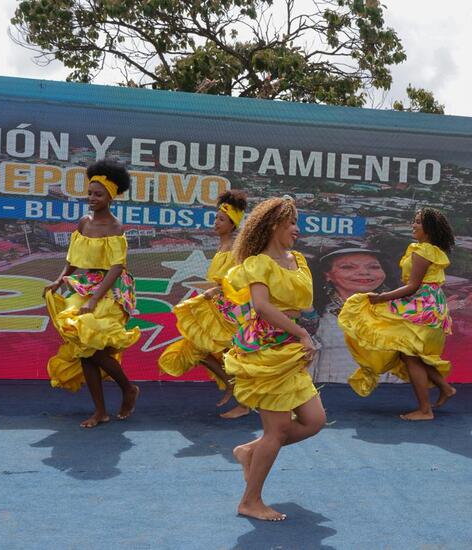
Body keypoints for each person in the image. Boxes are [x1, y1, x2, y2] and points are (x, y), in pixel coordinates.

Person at [222, 196, 325, 521]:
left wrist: (302, 336)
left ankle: (249, 450)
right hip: (267, 349)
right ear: (273, 226)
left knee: (314, 421)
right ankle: (250, 501)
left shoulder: (297, 260)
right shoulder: (259, 263)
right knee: (277, 431)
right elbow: (262, 306)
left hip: (290, 348)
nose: (296, 230)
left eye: (296, 223)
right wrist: (302, 333)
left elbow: (302, 305)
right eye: (291, 223)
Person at [42, 159, 140, 428]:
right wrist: (58, 281)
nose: (92, 198)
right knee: (84, 348)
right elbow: (73, 260)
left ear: (110, 197)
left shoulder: (115, 228)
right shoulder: (83, 223)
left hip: (112, 289)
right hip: (86, 284)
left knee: (89, 344)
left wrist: (95, 301)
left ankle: (128, 389)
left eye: (98, 195)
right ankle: (101, 411)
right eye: (90, 193)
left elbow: (116, 268)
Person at [338, 207, 457, 420]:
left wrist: (381, 298)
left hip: (421, 306)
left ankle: (425, 410)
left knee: (410, 355)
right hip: (427, 304)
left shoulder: (423, 251)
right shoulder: (430, 250)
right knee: (409, 353)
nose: (413, 225)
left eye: (418, 222)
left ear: (429, 228)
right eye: (414, 221)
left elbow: (413, 286)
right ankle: (445, 388)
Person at [158, 189, 250, 419]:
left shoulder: (235, 249)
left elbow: (238, 282)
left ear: (233, 223)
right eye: (216, 218)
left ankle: (243, 400)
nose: (216, 223)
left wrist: (215, 290)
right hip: (216, 308)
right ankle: (233, 387)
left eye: (221, 219)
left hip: (228, 312)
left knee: (229, 354)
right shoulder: (221, 247)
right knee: (200, 348)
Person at [309, 247, 396, 383]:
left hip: (391, 391)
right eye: (348, 267)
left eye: (373, 267)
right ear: (327, 274)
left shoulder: (400, 312)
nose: (364, 272)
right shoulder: (311, 315)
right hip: (328, 390)